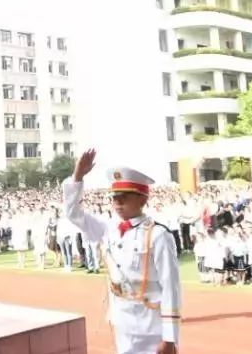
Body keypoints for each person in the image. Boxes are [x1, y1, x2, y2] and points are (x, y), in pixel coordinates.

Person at [63, 149, 180, 354]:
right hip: (122, 322)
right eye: (114, 197)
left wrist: (170, 337)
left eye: (124, 197)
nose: (117, 202)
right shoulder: (109, 229)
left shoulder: (158, 235)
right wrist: (77, 177)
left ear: (143, 199)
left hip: (152, 327)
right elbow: (73, 214)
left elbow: (171, 287)